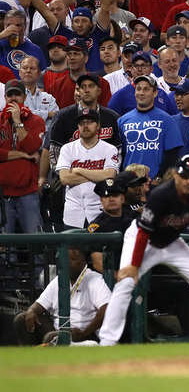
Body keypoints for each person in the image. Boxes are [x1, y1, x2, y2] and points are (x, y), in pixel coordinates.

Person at [99, 155, 189, 346]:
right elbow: (144, 232)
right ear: (176, 175)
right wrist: (134, 266)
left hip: (171, 242)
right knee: (126, 282)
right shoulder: (161, 195)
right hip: (143, 239)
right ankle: (107, 341)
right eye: (185, 176)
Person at [13, 247, 110, 345]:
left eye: (72, 259)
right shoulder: (59, 279)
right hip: (58, 329)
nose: (67, 263)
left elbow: (105, 309)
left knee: (52, 337)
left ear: (83, 261)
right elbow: (39, 304)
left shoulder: (95, 279)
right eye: (65, 260)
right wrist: (31, 311)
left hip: (83, 333)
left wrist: (84, 332)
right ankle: (31, 358)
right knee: (21, 319)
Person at [56, 108, 120, 229]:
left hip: (99, 212)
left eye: (90, 122)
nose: (85, 126)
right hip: (72, 214)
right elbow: (65, 179)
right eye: (81, 123)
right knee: (73, 248)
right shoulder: (67, 148)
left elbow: (110, 175)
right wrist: (98, 176)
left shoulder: (109, 149)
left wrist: (79, 170)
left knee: (97, 248)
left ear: (98, 125)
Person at [117, 75, 183, 180]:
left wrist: (160, 177)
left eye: (146, 89)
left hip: (154, 182)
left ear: (155, 93)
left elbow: (172, 154)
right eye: (138, 89)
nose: (141, 93)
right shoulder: (122, 121)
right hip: (129, 182)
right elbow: (119, 154)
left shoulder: (167, 120)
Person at [0, 79, 44, 233]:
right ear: (5, 98)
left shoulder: (35, 121)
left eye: (16, 94)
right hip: (2, 194)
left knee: (36, 243)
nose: (13, 98)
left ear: (24, 97)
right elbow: (27, 150)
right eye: (9, 95)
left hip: (28, 193)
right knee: (5, 247)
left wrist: (18, 121)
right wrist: (22, 155)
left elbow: (32, 146)